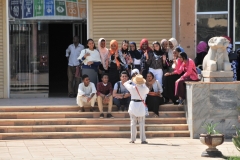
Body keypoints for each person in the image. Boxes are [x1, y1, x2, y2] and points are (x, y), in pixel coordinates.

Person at [124, 74, 149, 144]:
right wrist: (143, 84)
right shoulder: (144, 88)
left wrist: (131, 80)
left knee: (133, 123)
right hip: (141, 105)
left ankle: (132, 139)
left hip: (133, 104)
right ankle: (143, 139)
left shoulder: (132, 88)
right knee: (141, 123)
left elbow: (125, 83)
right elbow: (147, 91)